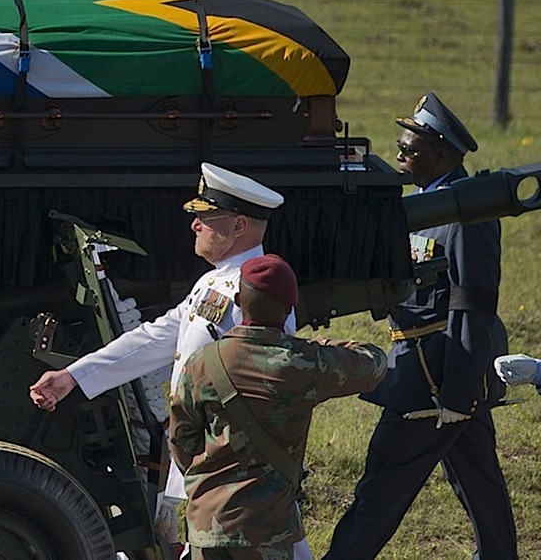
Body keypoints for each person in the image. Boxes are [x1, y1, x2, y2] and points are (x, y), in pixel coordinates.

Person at [29, 162, 315, 559]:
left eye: (206, 217)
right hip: (212, 461)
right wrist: (74, 376)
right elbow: (154, 339)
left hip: (236, 468)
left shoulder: (256, 290)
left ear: (238, 226)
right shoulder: (212, 282)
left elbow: (271, 381)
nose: (195, 224)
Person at [325, 93, 518, 559]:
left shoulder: (466, 212)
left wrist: (457, 394)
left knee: (380, 491)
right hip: (439, 373)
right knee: (480, 485)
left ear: (442, 154)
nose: (399, 156)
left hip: (434, 378)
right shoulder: (427, 203)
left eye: (408, 150)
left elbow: (473, 304)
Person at [170, 254, 386, 559]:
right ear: (289, 310)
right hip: (267, 528)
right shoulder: (305, 364)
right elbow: (375, 362)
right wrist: (321, 347)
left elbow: (181, 441)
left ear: (238, 301)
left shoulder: (203, 362)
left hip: (209, 525)